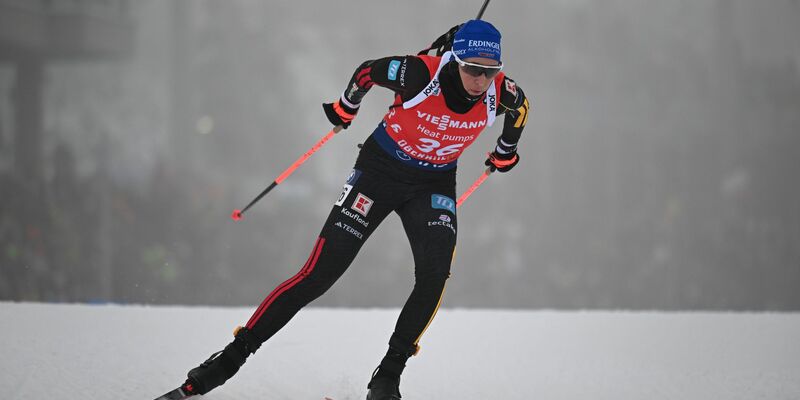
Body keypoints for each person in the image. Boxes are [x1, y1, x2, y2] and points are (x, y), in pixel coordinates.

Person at [179, 19, 529, 399]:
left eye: (488, 71)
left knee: (434, 274)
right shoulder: (415, 73)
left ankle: (388, 377)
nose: (480, 80)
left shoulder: (503, 92)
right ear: (454, 59)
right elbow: (367, 71)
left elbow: (521, 112)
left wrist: (505, 152)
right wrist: (346, 107)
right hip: (379, 173)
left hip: (433, 184)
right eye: (471, 69)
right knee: (320, 274)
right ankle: (230, 358)